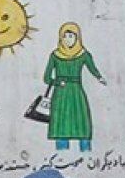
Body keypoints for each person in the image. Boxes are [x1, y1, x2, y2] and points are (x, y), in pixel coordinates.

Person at [43, 23, 106, 153]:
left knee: (82, 126)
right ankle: (61, 156)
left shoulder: (83, 54)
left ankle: (86, 156)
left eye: (71, 36)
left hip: (76, 93)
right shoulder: (55, 55)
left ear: (77, 37)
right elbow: (46, 78)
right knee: (61, 128)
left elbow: (92, 68)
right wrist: (57, 82)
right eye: (65, 36)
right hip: (60, 95)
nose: (68, 39)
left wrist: (99, 77)